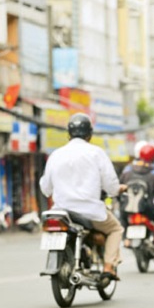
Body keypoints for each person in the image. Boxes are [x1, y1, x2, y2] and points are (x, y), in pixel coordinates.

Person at [39, 113, 126, 281]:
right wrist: (118, 189)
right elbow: (111, 185)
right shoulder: (96, 153)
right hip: (90, 211)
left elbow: (45, 188)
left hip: (61, 212)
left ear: (68, 134)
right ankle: (108, 266)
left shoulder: (56, 155)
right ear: (90, 134)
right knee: (116, 229)